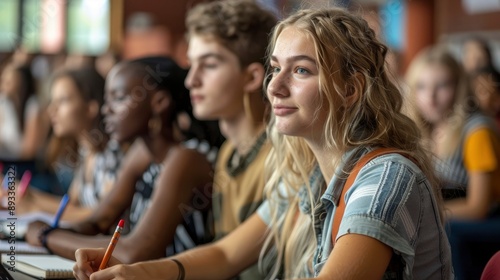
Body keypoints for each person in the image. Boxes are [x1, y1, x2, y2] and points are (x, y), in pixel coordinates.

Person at [73, 7, 452, 280]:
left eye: (301, 70)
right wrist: (137, 273)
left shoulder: (385, 177)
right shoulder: (308, 174)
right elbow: (225, 254)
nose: (276, 85)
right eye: (276, 67)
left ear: (350, 90)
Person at [25, 56, 216, 264]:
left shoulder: (186, 158)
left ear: (159, 102)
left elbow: (135, 251)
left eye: (119, 98)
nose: (106, 110)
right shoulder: (142, 152)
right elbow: (98, 221)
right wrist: (51, 232)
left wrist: (47, 237)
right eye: (107, 99)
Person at [184, 1, 276, 279]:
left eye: (209, 65)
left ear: (251, 77)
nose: (191, 80)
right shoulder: (227, 153)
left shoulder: (280, 153)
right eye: (191, 64)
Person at [405, 46, 500, 280]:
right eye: (421, 86)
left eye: (443, 86)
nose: (431, 96)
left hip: (491, 218)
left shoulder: (477, 130)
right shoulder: (425, 130)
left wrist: (424, 217)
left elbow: (478, 207)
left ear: (459, 87)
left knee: (446, 231)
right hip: (451, 213)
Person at [9, 67, 115, 221]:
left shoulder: (111, 154)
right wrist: (29, 196)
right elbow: (71, 205)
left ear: (91, 107)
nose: (52, 110)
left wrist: (35, 207)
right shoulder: (86, 151)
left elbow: (101, 215)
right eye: (52, 102)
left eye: (63, 101)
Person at [0, 63, 49, 160]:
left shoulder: (33, 106)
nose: (3, 84)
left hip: (24, 165)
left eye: (8, 81)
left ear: (20, 82)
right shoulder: (5, 104)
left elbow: (29, 151)